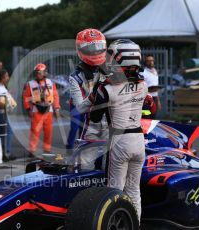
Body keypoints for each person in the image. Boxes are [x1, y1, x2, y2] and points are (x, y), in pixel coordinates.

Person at [89, 39, 148, 222]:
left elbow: (95, 118)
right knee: (133, 190)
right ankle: (134, 224)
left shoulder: (107, 89)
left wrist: (95, 93)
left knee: (114, 192)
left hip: (120, 141)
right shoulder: (143, 85)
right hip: (139, 141)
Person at [66, 28, 108, 154]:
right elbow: (80, 108)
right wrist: (95, 97)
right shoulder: (76, 77)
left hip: (112, 122)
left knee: (111, 162)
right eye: (91, 48)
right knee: (86, 162)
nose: (95, 51)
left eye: (99, 47)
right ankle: (70, 147)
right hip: (91, 124)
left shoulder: (111, 71)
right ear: (81, 50)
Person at [23, 63, 60, 156]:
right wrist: (28, 109)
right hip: (36, 110)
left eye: (40, 72)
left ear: (45, 73)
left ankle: (47, 149)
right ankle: (32, 150)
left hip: (49, 110)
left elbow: (55, 95)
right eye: (37, 72)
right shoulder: (30, 84)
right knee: (35, 131)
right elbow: (26, 97)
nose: (38, 74)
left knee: (48, 131)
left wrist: (56, 107)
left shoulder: (51, 83)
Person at [0, 69, 17, 162]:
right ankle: (5, 152)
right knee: (6, 132)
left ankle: (2, 151)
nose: (8, 78)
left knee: (3, 132)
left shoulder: (2, 87)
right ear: (2, 77)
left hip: (4, 112)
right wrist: (8, 105)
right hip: (0, 112)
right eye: (7, 76)